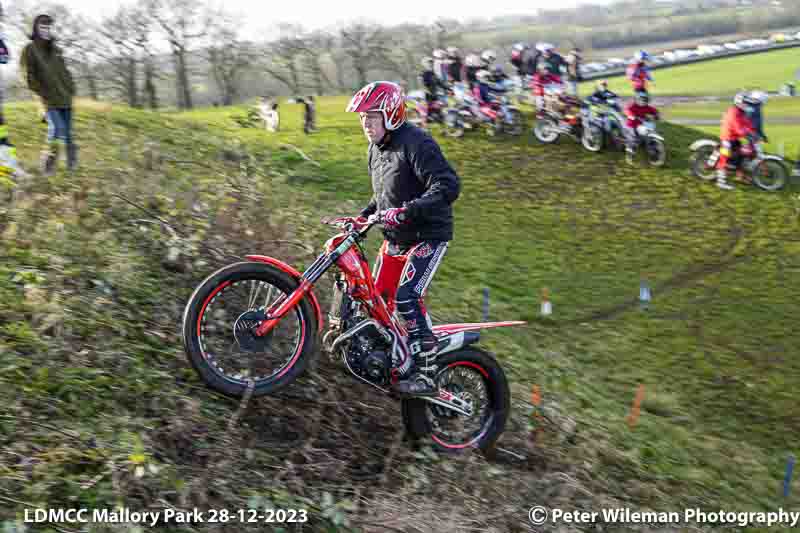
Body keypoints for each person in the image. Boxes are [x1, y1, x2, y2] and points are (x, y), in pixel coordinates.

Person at [345, 81, 461, 397]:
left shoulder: (418, 143)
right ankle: (396, 359)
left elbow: (448, 186)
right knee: (378, 301)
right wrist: (363, 216)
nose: (365, 124)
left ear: (392, 114)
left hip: (428, 234)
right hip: (396, 238)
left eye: (371, 116)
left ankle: (425, 374)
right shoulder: (375, 149)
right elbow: (383, 195)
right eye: (362, 117)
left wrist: (407, 211)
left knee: (407, 296)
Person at [20, 14, 77, 174]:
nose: (46, 30)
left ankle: (72, 170)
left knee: (68, 134)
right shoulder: (29, 50)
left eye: (48, 27)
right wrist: (42, 93)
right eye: (42, 27)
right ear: (35, 28)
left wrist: (71, 87)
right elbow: (27, 76)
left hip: (65, 98)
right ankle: (48, 170)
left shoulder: (56, 49)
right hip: (47, 100)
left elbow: (65, 72)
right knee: (56, 130)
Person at [715, 92, 760, 190]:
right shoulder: (733, 112)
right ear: (739, 102)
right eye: (745, 102)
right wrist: (747, 135)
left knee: (742, 155)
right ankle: (720, 182)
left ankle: (739, 176)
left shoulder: (741, 112)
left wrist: (754, 133)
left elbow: (747, 123)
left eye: (747, 102)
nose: (747, 104)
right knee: (724, 157)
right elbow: (737, 127)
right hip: (727, 138)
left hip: (734, 138)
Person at [623, 90, 660, 164]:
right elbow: (627, 110)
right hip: (632, 125)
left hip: (643, 124)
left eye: (645, 100)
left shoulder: (647, 107)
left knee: (651, 132)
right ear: (637, 99)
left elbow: (654, 111)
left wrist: (656, 115)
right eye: (642, 99)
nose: (643, 101)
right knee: (634, 140)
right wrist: (631, 115)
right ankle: (630, 155)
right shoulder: (632, 106)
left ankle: (653, 150)